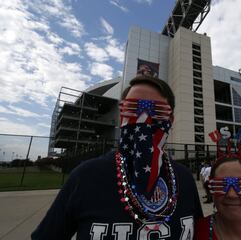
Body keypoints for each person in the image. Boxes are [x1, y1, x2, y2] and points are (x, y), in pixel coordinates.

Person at [31, 76, 203, 239]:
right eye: (132, 108)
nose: (143, 118)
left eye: (156, 110)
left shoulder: (184, 179)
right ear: (122, 115)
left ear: (170, 119)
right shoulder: (85, 176)